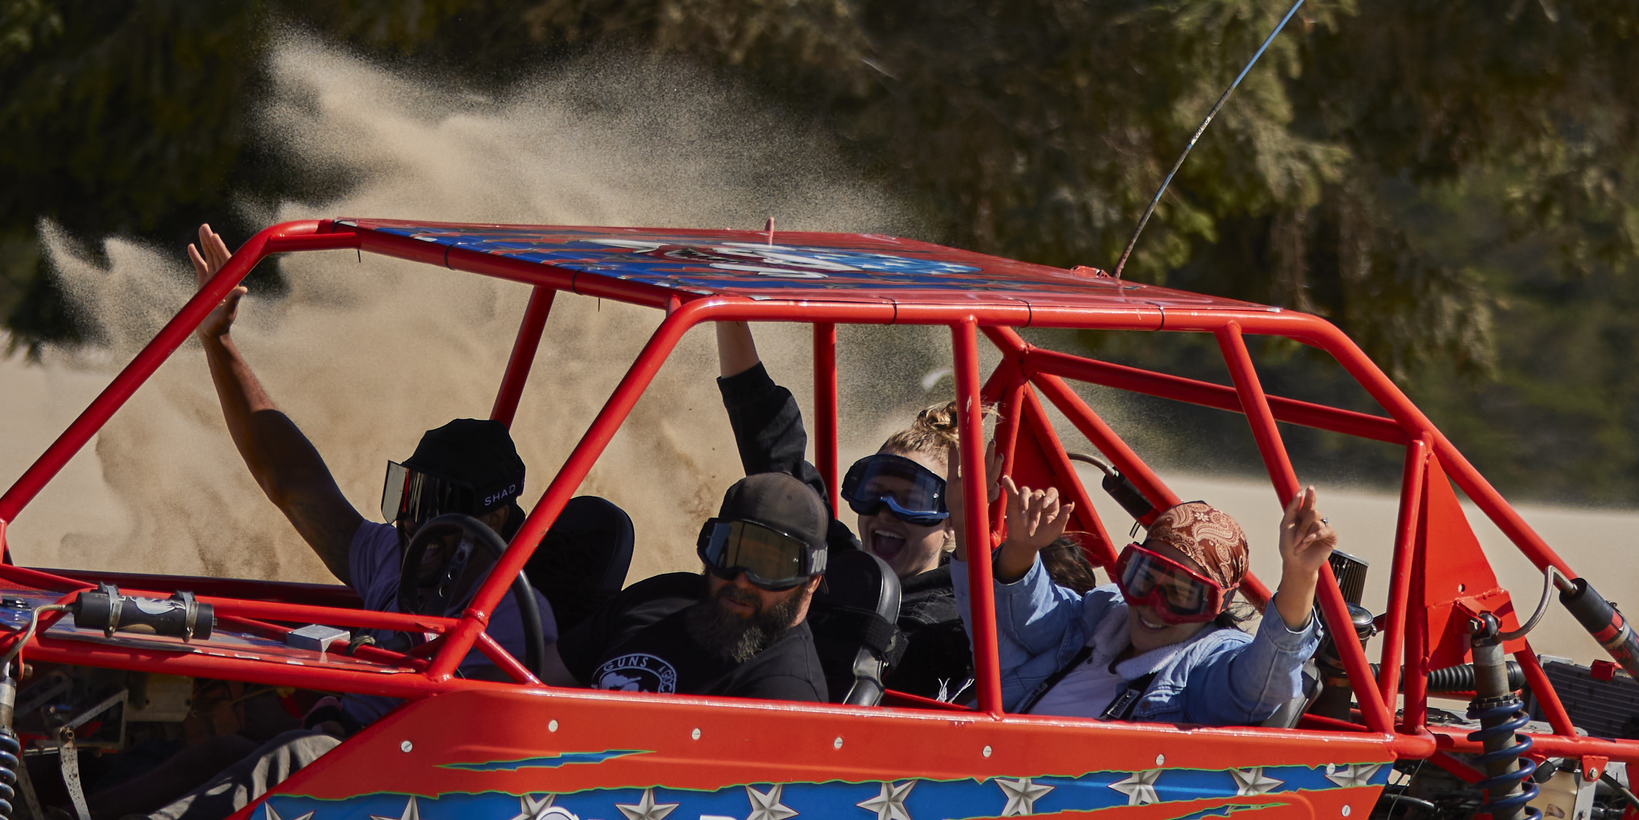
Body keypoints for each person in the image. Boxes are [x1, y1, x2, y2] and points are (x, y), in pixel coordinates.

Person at [97, 225, 563, 820]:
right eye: (405, 493)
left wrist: (335, 723)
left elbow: (528, 732)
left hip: (412, 807)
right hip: (337, 766)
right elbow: (293, 484)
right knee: (213, 745)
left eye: (437, 501)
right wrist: (219, 342)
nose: (413, 518)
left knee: (297, 753)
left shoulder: (517, 616)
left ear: (493, 516)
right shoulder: (397, 555)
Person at [711, 327, 980, 702]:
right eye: (873, 492)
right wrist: (729, 318)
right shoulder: (839, 565)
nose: (885, 512)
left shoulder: (967, 614)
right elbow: (772, 449)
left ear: (952, 520)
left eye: (912, 500)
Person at [995, 489, 1342, 729]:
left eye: (1181, 595)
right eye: (1143, 579)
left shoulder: (1204, 664)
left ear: (1216, 603)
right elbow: (1030, 618)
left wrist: (1300, 575)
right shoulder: (1103, 614)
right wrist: (1021, 549)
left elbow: (1262, 685)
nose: (1152, 607)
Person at [561, 473, 838, 703]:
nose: (741, 580)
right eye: (728, 554)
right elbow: (534, 677)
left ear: (811, 580)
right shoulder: (659, 596)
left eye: (768, 566)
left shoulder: (784, 694)